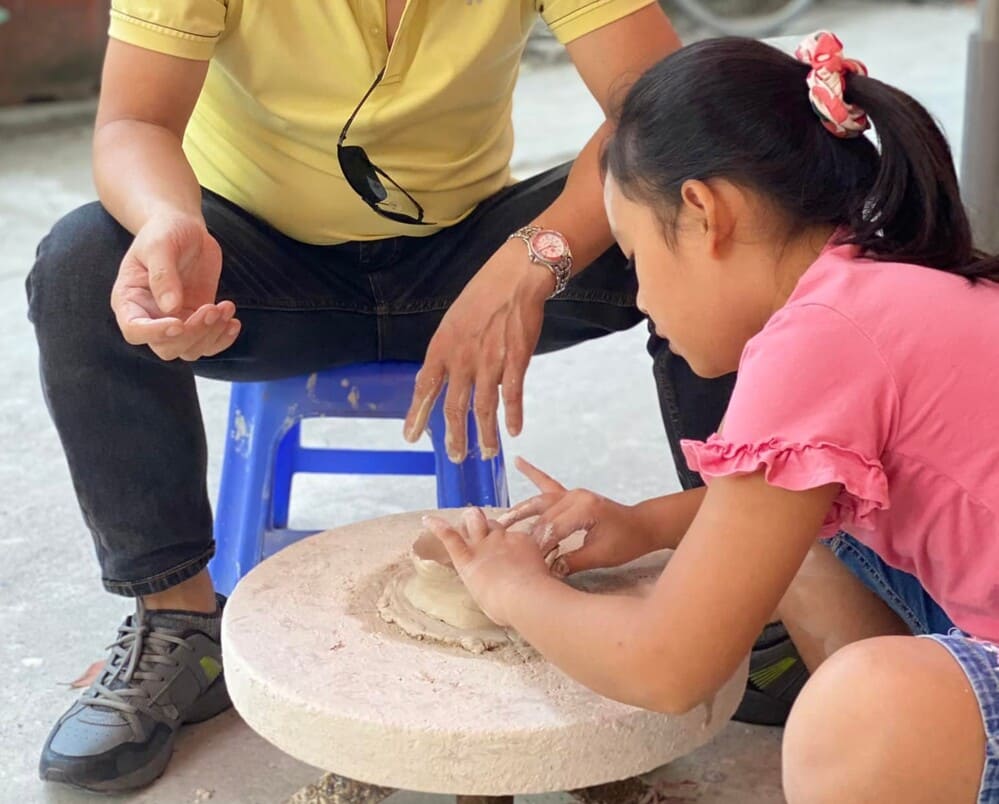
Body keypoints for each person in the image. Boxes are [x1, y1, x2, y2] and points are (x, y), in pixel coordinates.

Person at [26, 0, 696, 793]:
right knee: (81, 266)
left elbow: (659, 109)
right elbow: (132, 121)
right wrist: (169, 223)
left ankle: (750, 577)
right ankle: (176, 621)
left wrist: (530, 262)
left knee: (706, 207)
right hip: (257, 270)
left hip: (473, 261)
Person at [427, 32, 999, 804]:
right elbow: (773, 509)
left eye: (633, 257)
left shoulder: (817, 338)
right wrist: (649, 524)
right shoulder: (872, 276)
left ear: (703, 213)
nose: (639, 299)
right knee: (811, 535)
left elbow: (664, 668)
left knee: (863, 716)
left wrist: (509, 588)